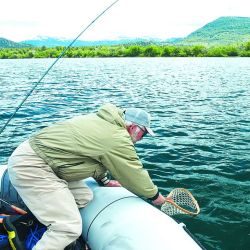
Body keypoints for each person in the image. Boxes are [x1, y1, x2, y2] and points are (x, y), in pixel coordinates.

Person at [7, 103, 166, 250]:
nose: (141, 139)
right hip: (33, 165)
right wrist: (155, 196)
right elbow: (133, 173)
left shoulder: (104, 122)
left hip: (48, 163)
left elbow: (94, 157)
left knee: (83, 197)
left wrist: (104, 181)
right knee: (68, 227)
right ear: (134, 128)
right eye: (143, 134)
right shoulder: (116, 137)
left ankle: (37, 220)